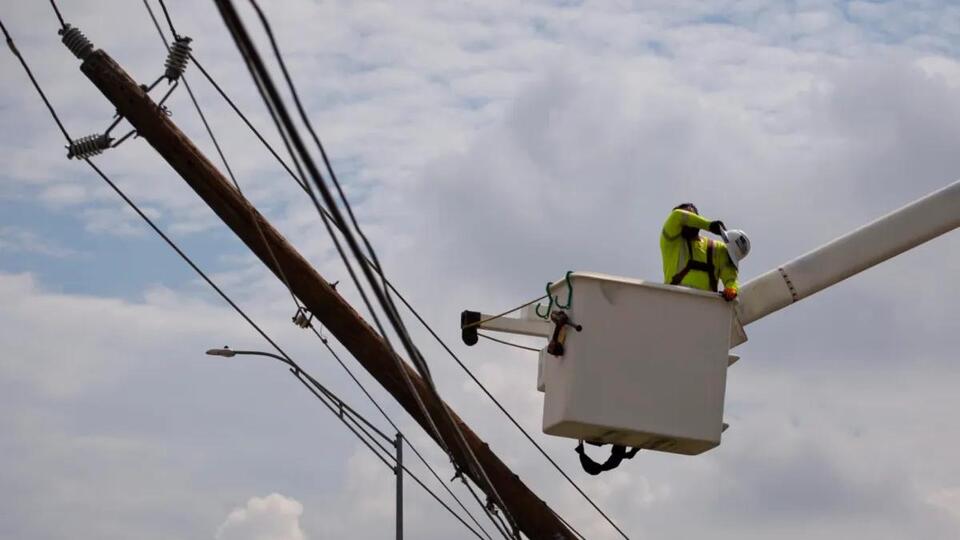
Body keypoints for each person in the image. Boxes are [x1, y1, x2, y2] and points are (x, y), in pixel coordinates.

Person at [660, 202, 739, 301]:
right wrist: (708, 225)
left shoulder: (717, 248)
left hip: (705, 309)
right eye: (687, 218)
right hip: (674, 304)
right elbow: (677, 216)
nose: (687, 221)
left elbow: (730, 276)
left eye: (692, 218)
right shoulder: (671, 240)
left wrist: (732, 288)